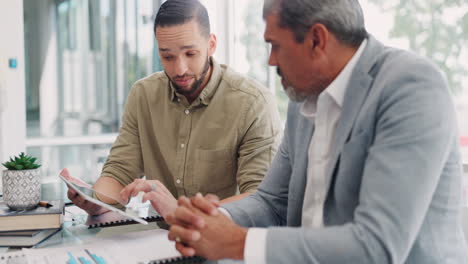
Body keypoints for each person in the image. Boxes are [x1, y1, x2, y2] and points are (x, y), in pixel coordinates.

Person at [165, 0, 468, 263]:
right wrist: (209, 222)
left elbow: (377, 247)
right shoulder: (305, 98)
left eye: (276, 45)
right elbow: (272, 202)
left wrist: (235, 241)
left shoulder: (410, 87)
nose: (271, 61)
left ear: (317, 40)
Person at [66, 0, 281, 219]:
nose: (180, 69)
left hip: (224, 240)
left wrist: (183, 214)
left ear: (212, 45)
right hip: (159, 240)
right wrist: (96, 200)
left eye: (190, 54)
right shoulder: (143, 95)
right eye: (167, 57)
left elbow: (258, 198)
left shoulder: (253, 103)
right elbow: (120, 171)